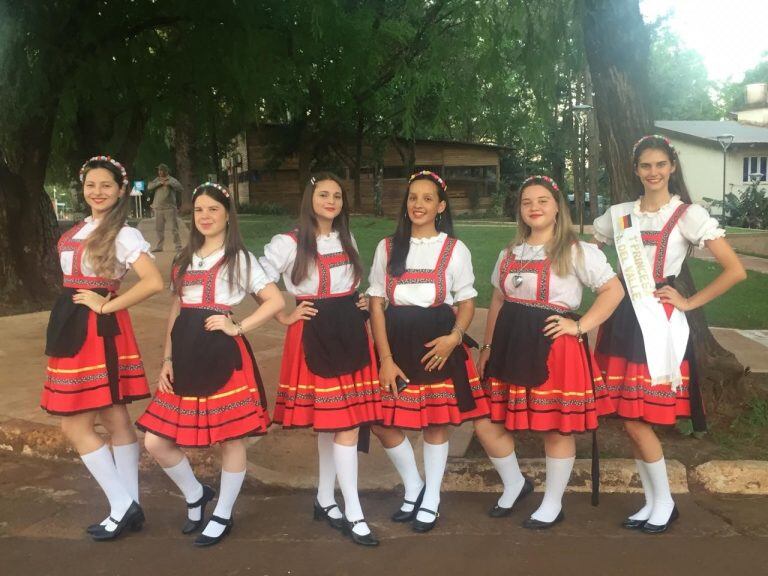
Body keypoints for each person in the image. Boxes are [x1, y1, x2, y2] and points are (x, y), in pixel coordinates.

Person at [593, 135, 746, 534]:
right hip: (623, 317)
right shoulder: (619, 215)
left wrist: (689, 304)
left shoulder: (688, 215)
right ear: (636, 169)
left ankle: (664, 502)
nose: (654, 172)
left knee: (639, 418)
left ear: (672, 167)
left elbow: (735, 270)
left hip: (658, 321)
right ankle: (654, 502)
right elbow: (587, 253)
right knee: (628, 418)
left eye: (660, 164)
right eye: (646, 165)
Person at [136, 182, 285, 547]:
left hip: (223, 357)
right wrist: (167, 358)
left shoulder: (241, 259)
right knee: (156, 440)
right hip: (184, 355)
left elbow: (275, 301)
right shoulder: (183, 258)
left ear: (227, 215)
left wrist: (237, 326)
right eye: (199, 209)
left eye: (213, 209)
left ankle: (223, 511)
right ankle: (195, 494)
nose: (205, 216)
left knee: (230, 438)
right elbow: (176, 309)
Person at [475, 175, 623, 529]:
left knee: (556, 427)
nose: (535, 208)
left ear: (557, 206)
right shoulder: (509, 253)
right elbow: (498, 299)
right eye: (527, 202)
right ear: (520, 210)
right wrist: (488, 346)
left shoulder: (576, 250)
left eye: (542, 200)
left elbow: (613, 291)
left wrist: (580, 325)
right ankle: (514, 484)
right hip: (509, 345)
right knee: (486, 421)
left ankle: (552, 503)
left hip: (553, 348)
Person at [42, 155, 164, 541]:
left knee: (73, 423)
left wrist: (106, 304)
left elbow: (153, 281)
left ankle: (120, 504)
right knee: (113, 418)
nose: (97, 192)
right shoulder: (79, 228)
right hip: (71, 321)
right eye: (91, 185)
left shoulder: (124, 234)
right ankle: (131, 504)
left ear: (120, 191)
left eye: (106, 186)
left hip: (96, 325)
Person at [260, 173, 382, 547]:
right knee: (345, 423)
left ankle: (325, 499)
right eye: (323, 194)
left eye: (337, 195)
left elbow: (351, 284)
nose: (331, 201)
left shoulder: (347, 238)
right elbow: (256, 278)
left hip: (349, 330)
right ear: (310, 198)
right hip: (314, 333)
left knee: (337, 424)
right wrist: (282, 314)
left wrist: (359, 300)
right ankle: (354, 512)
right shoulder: (288, 242)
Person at [367, 170, 490, 533]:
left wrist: (455, 337)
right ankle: (414, 486)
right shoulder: (387, 247)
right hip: (397, 344)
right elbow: (376, 304)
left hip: (438, 344)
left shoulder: (454, 249)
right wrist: (385, 359)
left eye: (426, 198)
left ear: (440, 206)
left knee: (437, 423)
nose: (418, 204)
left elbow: (467, 301)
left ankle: (431, 497)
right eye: (412, 198)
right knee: (382, 422)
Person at [148, 163, 183, 253]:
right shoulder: (157, 180)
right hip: (158, 208)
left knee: (173, 228)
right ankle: (159, 247)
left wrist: (169, 183)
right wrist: (159, 183)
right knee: (159, 229)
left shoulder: (171, 179)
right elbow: (149, 187)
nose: (159, 172)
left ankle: (178, 246)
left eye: (161, 170)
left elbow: (180, 188)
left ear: (166, 171)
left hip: (170, 208)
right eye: (159, 170)